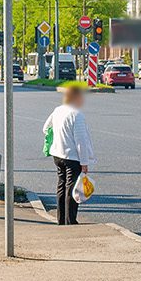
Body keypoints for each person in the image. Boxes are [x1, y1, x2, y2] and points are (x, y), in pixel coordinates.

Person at [43, 83, 95, 225]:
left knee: (61, 185)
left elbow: (45, 127)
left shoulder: (58, 110)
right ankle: (70, 221)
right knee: (72, 189)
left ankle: (60, 219)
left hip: (57, 155)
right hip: (72, 157)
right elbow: (81, 142)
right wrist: (85, 163)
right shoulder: (76, 115)